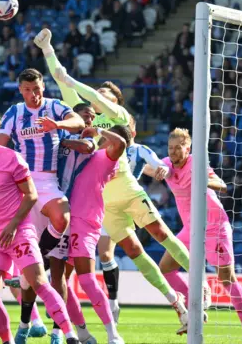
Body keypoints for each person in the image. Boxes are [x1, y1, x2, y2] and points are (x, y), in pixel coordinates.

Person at [35, 28, 190, 334]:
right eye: (99, 96)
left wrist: (72, 82)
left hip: (126, 188)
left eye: (106, 96)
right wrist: (47, 49)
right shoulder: (86, 117)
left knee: (160, 233)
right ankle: (178, 304)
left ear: (115, 101)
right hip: (102, 202)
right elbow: (59, 77)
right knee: (135, 252)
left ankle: (199, 283)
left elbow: (83, 90)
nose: (99, 98)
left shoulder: (117, 116)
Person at [0, 111, 79, 344]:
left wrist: (13, 226)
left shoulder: (12, 158)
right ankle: (7, 341)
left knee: (39, 282)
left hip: (19, 232)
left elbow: (31, 195)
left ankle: (69, 335)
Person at [0, 67, 85, 341]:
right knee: (32, 269)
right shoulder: (14, 113)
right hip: (23, 184)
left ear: (43, 87)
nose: (33, 95)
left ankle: (58, 330)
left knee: (62, 221)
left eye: (36, 89)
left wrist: (57, 125)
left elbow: (79, 122)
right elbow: (0, 145)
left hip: (47, 182)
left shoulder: (55, 107)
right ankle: (24, 325)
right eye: (27, 90)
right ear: (20, 90)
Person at [156, 128, 242, 344]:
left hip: (214, 226)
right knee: (165, 267)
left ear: (188, 148)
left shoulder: (197, 164)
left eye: (178, 148)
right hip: (190, 228)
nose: (173, 153)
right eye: (170, 148)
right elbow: (148, 165)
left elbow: (223, 186)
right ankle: (199, 297)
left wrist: (203, 182)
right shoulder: (166, 163)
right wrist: (157, 169)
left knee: (227, 279)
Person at [61, 123, 129, 344]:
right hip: (66, 220)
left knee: (87, 278)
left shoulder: (109, 158)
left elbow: (120, 142)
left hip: (85, 221)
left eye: (110, 136)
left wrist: (99, 130)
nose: (105, 139)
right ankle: (82, 332)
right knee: (60, 280)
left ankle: (113, 334)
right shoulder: (89, 154)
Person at [97, 116, 169, 316]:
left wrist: (162, 168)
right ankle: (113, 303)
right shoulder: (103, 146)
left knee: (152, 240)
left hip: (129, 200)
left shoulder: (137, 149)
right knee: (104, 254)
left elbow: (153, 165)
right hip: (106, 204)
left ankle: (181, 294)